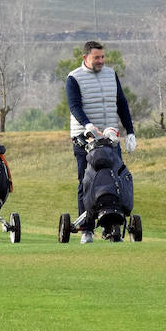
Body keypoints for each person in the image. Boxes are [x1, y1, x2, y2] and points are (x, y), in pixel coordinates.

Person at [66, 40, 135, 243]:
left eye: (102, 57)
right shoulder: (74, 78)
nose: (101, 61)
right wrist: (87, 124)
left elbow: (121, 103)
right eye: (96, 57)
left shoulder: (111, 74)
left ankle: (112, 226)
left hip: (110, 138)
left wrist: (130, 131)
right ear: (85, 57)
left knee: (116, 178)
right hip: (84, 138)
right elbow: (74, 106)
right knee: (86, 181)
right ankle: (87, 229)